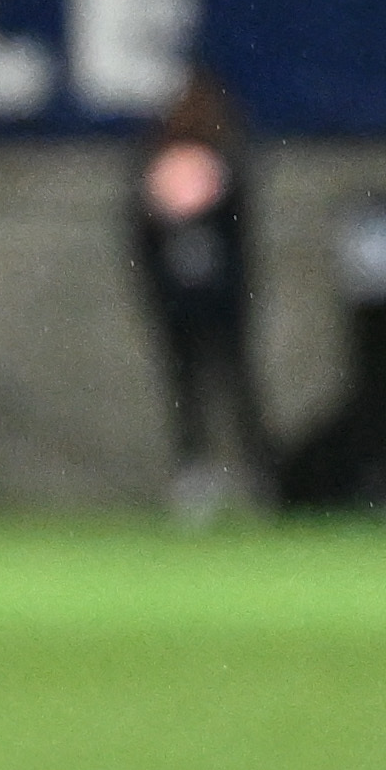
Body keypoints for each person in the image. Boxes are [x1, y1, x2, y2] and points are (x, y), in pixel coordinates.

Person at [129, 69, 270, 524]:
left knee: (233, 388)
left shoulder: (224, 164)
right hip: (180, 298)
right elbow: (143, 239)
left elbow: (239, 239)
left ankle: (257, 477)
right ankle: (198, 477)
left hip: (216, 297)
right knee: (189, 391)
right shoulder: (160, 165)